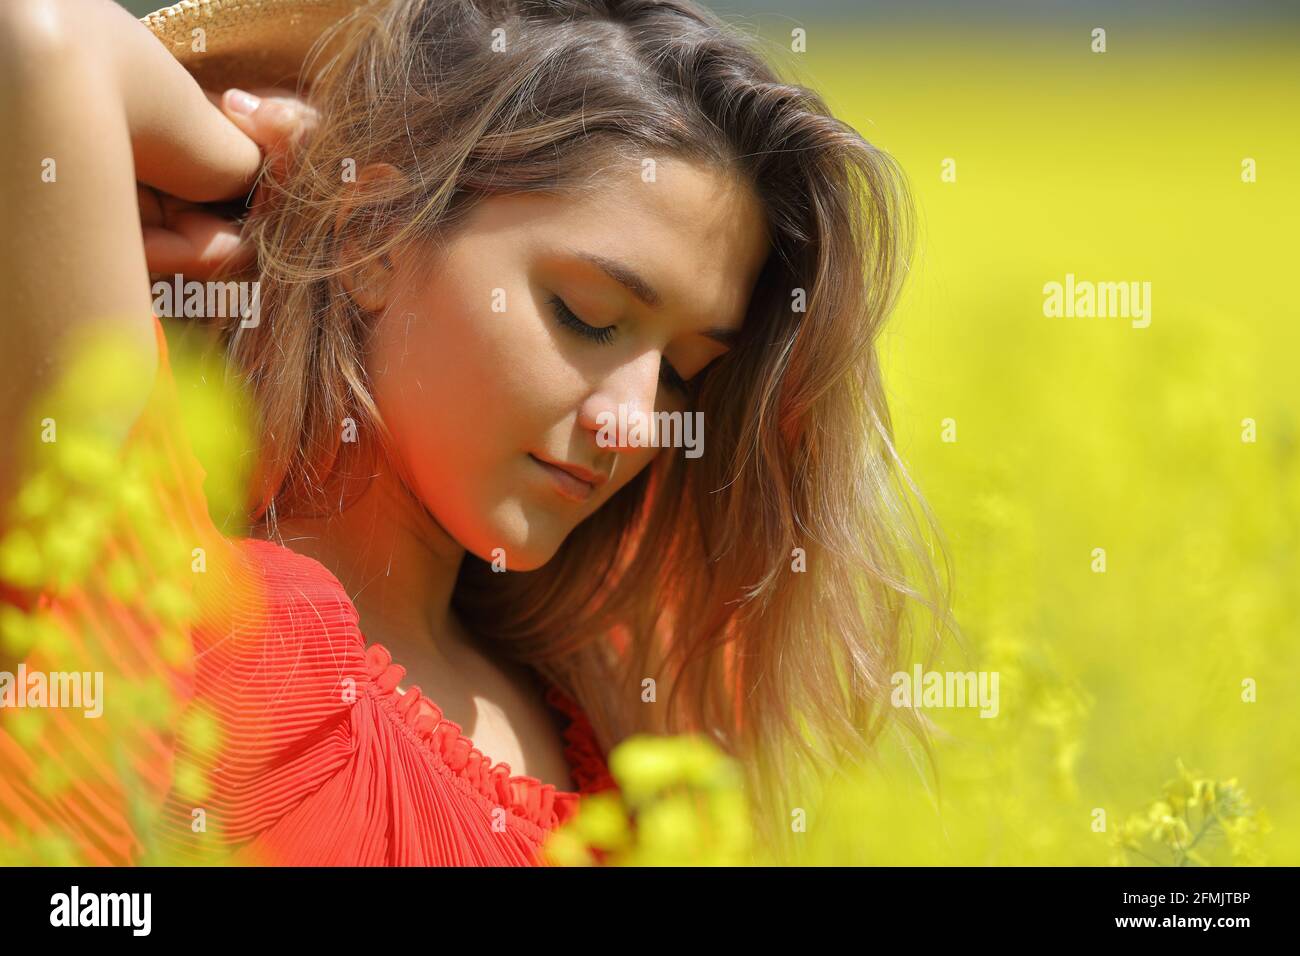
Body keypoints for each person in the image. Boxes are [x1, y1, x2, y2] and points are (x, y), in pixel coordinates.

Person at [0, 0, 949, 866]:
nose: (634, 422)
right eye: (586, 315)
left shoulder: (619, 717)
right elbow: (40, 47)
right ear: (374, 232)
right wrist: (279, 181)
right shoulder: (180, 608)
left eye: (684, 374)